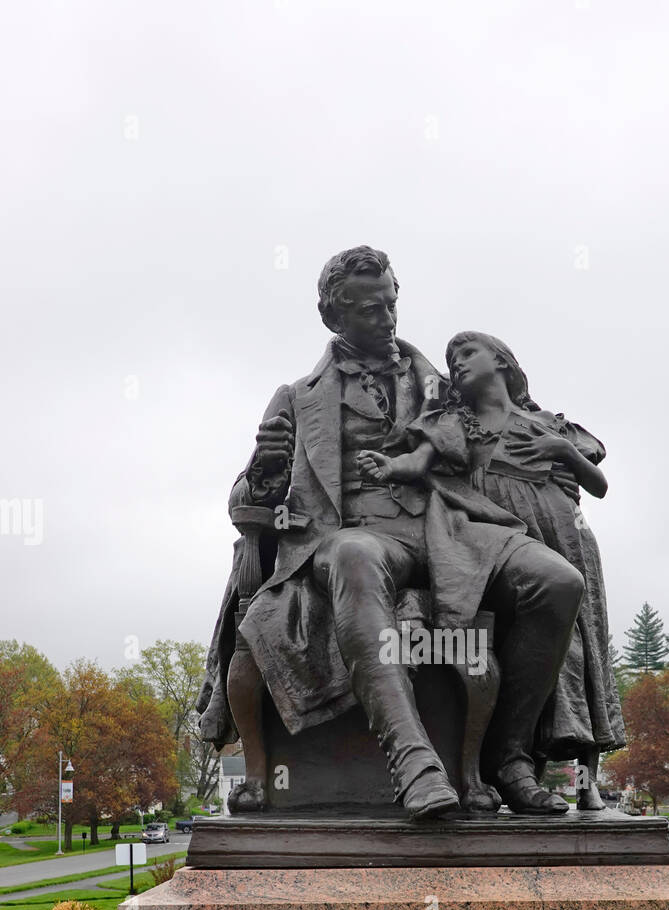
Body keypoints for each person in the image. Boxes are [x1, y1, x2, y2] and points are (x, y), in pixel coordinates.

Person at [197, 249, 586, 819]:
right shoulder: (297, 397)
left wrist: (566, 459)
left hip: (449, 525)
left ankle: (511, 760)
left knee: (558, 582)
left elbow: (518, 418)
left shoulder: (441, 384)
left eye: (391, 304)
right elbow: (247, 503)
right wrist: (263, 468)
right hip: (351, 535)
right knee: (355, 555)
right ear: (335, 316)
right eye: (369, 311)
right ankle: (415, 763)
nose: (387, 319)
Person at [358, 330, 625, 807]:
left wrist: (562, 451)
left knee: (578, 648)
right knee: (539, 620)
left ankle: (551, 770)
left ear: (502, 360)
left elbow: (599, 484)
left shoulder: (548, 422)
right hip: (495, 533)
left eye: (467, 353)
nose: (456, 363)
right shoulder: (456, 422)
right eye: (450, 358)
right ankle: (507, 765)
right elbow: (419, 461)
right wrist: (389, 467)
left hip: (565, 537)